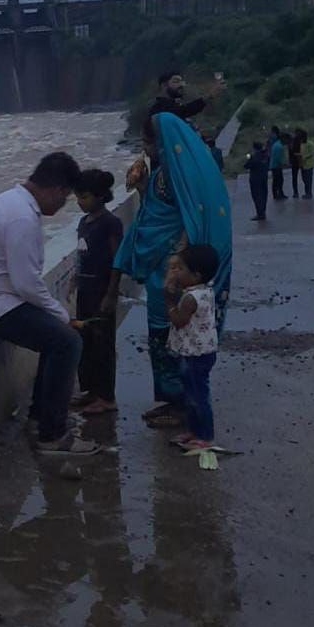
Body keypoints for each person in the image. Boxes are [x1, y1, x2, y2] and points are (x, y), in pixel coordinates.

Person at [0, 152, 99, 455]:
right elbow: (26, 283)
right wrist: (60, 312)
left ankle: (39, 418)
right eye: (65, 198)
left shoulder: (14, 204)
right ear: (56, 190)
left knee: (56, 338)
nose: (62, 206)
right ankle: (52, 435)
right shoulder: (21, 217)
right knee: (67, 342)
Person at [103, 113, 233, 430]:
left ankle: (184, 406)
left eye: (149, 142)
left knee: (173, 336)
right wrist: (142, 186)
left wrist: (177, 262)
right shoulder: (163, 171)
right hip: (158, 266)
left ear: (164, 143)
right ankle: (172, 400)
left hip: (170, 266)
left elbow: (190, 215)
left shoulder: (181, 175)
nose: (146, 149)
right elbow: (157, 207)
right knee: (161, 338)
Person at [68, 169, 123, 417]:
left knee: (103, 345)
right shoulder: (83, 222)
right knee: (87, 342)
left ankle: (107, 396)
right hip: (86, 291)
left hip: (102, 292)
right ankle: (91, 390)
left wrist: (111, 295)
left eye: (85, 197)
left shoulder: (110, 224)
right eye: (78, 197)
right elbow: (82, 254)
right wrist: (74, 278)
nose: (80, 202)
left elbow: (117, 261)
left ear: (101, 196)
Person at [164, 244, 222, 451]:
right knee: (191, 394)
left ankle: (205, 436)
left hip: (195, 355)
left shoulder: (190, 298)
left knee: (197, 396)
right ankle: (194, 431)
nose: (176, 272)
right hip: (199, 352)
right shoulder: (203, 290)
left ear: (196, 275)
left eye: (180, 269)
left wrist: (169, 301)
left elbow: (179, 320)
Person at [245, 142, 269, 221]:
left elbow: (247, 165)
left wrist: (249, 158)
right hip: (264, 177)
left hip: (255, 179)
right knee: (263, 195)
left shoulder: (254, 156)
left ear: (254, 148)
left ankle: (260, 214)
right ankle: (263, 212)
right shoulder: (265, 155)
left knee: (257, 196)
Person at [269, 127, 287, 200]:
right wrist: (284, 164)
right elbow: (278, 158)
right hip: (276, 166)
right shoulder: (279, 146)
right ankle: (278, 194)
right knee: (278, 180)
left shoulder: (276, 143)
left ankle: (277, 194)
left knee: (277, 180)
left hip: (274, 165)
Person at [299, 129, 314, 200]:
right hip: (302, 165)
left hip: (309, 165)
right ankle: (307, 193)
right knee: (304, 179)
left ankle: (309, 193)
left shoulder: (310, 144)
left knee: (308, 180)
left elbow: (312, 153)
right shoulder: (301, 144)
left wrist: (304, 157)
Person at [288, 129, 303, 198]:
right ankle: (296, 192)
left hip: (295, 161)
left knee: (295, 177)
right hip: (297, 160)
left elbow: (290, 153)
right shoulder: (298, 141)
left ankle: (296, 192)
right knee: (301, 177)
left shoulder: (293, 142)